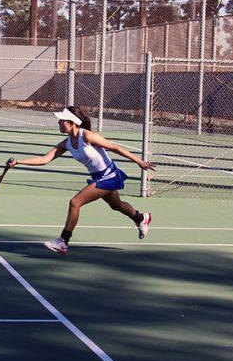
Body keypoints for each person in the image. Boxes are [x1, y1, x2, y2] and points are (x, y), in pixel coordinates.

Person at [8, 106, 156, 255]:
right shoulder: (67, 143)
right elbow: (44, 159)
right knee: (116, 205)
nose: (59, 123)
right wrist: (19, 162)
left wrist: (139, 161)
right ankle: (141, 217)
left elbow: (114, 147)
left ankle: (63, 241)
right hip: (98, 176)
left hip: (109, 175)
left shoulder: (87, 136)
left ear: (72, 122)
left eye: (62, 121)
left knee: (75, 202)